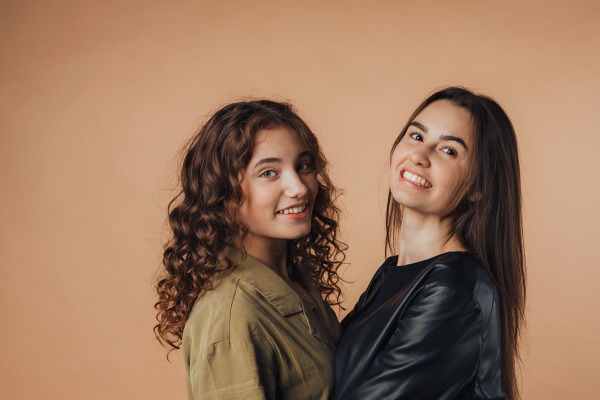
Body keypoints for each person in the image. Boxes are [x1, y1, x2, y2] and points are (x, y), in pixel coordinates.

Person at [334, 87, 526, 400]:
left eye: (448, 150)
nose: (419, 156)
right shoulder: (392, 273)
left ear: (478, 186)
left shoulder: (453, 288)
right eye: (416, 136)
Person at [154, 100, 346, 400]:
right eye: (269, 172)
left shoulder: (293, 282)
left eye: (304, 166)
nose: (300, 188)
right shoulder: (232, 317)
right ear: (222, 192)